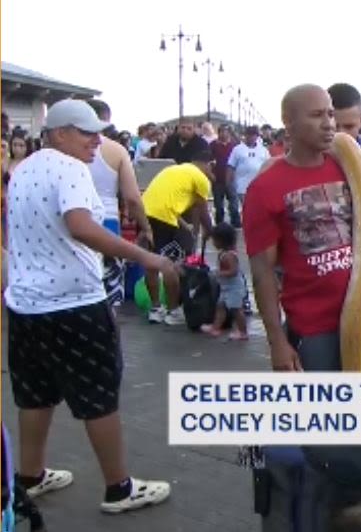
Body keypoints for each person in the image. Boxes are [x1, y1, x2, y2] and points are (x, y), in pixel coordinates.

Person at [4, 99, 174, 514]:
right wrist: (144, 256)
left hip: (26, 305)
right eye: (86, 132)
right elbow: (80, 226)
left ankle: (30, 475)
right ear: (59, 132)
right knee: (98, 394)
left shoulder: (21, 169)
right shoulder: (72, 169)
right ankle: (119, 487)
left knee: (35, 394)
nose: (97, 140)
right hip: (75, 303)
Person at [242, 84, 361, 373]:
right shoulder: (264, 188)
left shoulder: (350, 167)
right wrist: (277, 342)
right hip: (315, 328)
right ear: (288, 122)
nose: (329, 123)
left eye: (330, 114)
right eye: (317, 115)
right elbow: (262, 272)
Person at [85, 99, 151, 306]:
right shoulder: (116, 150)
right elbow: (132, 197)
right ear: (106, 120)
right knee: (110, 290)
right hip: (108, 221)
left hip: (75, 220)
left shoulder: (67, 150)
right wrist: (146, 227)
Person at [139, 146, 215, 325]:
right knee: (171, 265)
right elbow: (203, 211)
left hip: (145, 213)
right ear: (209, 164)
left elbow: (171, 202)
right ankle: (173, 312)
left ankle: (156, 309)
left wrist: (188, 227)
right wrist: (210, 232)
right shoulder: (201, 178)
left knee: (151, 263)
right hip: (165, 220)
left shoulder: (173, 170)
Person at [201, 222, 249, 341]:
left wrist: (219, 273)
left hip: (234, 288)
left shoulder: (229, 256)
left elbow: (233, 271)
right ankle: (216, 327)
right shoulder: (224, 253)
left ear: (222, 241)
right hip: (226, 287)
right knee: (220, 306)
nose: (213, 243)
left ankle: (243, 332)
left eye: (215, 240)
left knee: (236, 309)